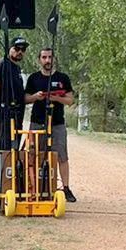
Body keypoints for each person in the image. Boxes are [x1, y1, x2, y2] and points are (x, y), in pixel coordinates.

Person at [23, 46, 78, 203]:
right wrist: (36, 97)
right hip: (37, 122)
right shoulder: (34, 78)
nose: (47, 60)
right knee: (34, 155)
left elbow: (70, 100)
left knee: (62, 155)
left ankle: (66, 188)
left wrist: (55, 98)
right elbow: (26, 99)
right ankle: (35, 188)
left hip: (57, 123)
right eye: (44, 57)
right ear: (39, 60)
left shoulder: (63, 78)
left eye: (50, 57)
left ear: (54, 59)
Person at [0, 36, 30, 191]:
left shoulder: (16, 69)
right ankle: (1, 188)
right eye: (16, 48)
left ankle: (13, 187)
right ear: (9, 48)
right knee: (4, 152)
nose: (19, 52)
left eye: (23, 50)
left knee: (15, 151)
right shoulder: (1, 65)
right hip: (4, 118)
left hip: (17, 117)